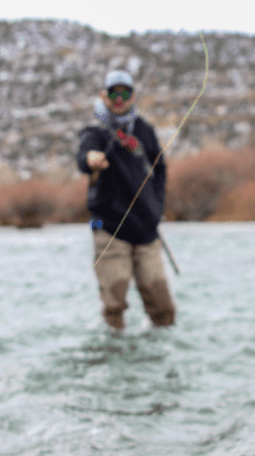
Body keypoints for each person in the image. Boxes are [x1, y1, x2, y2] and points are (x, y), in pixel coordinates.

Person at [76, 70, 175, 331]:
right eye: (113, 93)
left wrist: (157, 206)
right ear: (103, 95)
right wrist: (92, 160)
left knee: (165, 311)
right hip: (107, 230)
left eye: (125, 93)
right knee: (114, 308)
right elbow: (83, 157)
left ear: (132, 96)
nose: (119, 99)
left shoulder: (145, 131)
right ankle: (114, 357)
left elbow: (160, 169)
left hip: (146, 232)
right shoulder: (95, 133)